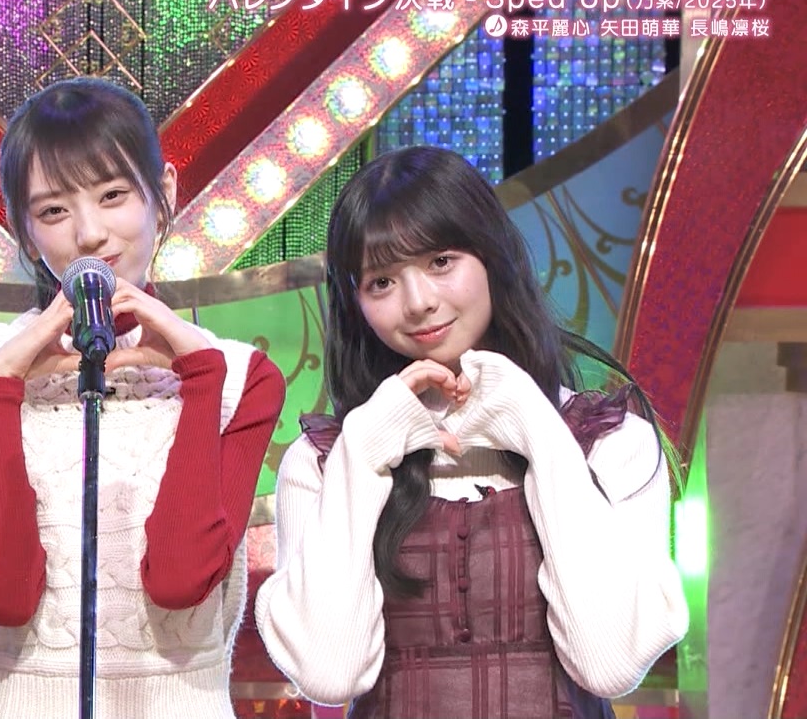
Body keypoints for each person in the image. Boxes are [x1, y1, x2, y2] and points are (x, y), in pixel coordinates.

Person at [255, 146, 689, 718]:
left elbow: (609, 665)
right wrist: (362, 454)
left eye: (441, 262)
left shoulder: (609, 441)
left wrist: (538, 429)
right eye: (381, 281)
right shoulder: (326, 460)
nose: (418, 303)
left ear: (492, 255)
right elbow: (328, 676)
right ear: (354, 302)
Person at [0, 77, 286, 718]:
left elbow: (180, 582)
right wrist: (1, 391)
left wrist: (201, 381)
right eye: (53, 211)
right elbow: (2, 598)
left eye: (113, 195)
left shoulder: (239, 377)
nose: (89, 234)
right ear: (23, 229)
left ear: (163, 193)